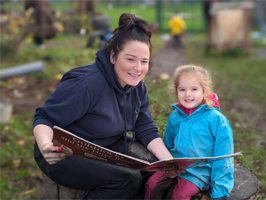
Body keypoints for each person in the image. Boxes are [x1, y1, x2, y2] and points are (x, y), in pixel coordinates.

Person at [33, 13, 175, 200]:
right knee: (127, 179)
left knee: (155, 169)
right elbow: (45, 118)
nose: (138, 68)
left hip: (107, 147)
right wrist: (45, 146)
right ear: (113, 56)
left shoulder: (138, 87)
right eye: (130, 59)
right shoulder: (86, 83)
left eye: (144, 61)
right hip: (64, 152)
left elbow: (146, 129)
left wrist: (169, 162)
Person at [145, 64, 234, 200]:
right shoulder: (175, 117)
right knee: (152, 184)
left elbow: (224, 155)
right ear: (176, 91)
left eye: (194, 89)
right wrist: (166, 164)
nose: (187, 94)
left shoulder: (216, 119)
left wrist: (220, 189)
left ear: (205, 92)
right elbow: (167, 146)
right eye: (182, 89)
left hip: (199, 171)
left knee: (179, 195)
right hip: (174, 165)